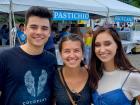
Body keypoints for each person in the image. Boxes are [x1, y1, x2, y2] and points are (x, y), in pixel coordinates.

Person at [0, 6, 57, 105]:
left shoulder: (51, 59)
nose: (39, 32)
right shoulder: (5, 58)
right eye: (33, 27)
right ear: (25, 29)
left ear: (49, 33)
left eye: (44, 28)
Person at [89, 26, 140, 105]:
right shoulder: (94, 73)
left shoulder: (133, 77)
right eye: (97, 45)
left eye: (107, 44)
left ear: (117, 45)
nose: (102, 50)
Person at [54, 34, 92, 105]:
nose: (72, 55)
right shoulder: (54, 76)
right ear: (60, 54)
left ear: (83, 53)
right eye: (67, 51)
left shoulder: (91, 74)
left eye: (76, 50)